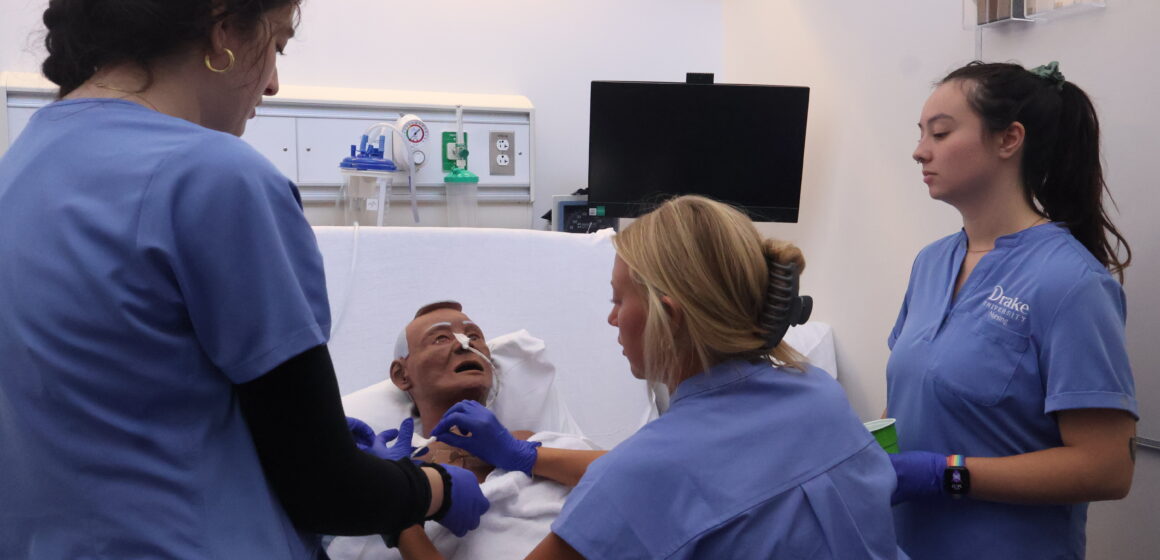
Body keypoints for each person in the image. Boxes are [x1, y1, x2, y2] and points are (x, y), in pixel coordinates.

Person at [0, 2, 486, 558]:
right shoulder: (217, 177)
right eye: (276, 46)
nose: (274, 84)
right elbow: (325, 488)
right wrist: (437, 487)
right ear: (223, 27)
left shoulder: (18, 170)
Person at [438, 195, 901, 559]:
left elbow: (650, 479)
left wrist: (398, 520)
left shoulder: (640, 475)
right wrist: (525, 455)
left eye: (619, 300)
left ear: (669, 317)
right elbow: (690, 476)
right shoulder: (818, 393)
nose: (612, 319)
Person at [887, 60, 1137, 559]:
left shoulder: (1070, 283)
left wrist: (948, 474)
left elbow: (1107, 468)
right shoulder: (931, 263)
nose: (919, 151)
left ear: (1008, 140)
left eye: (940, 132)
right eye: (921, 134)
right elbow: (907, 407)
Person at [329, 301, 603, 560]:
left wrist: (524, 456)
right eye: (440, 338)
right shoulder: (389, 471)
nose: (465, 344)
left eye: (474, 335)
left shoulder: (541, 444)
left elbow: (629, 478)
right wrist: (394, 495)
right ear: (402, 375)